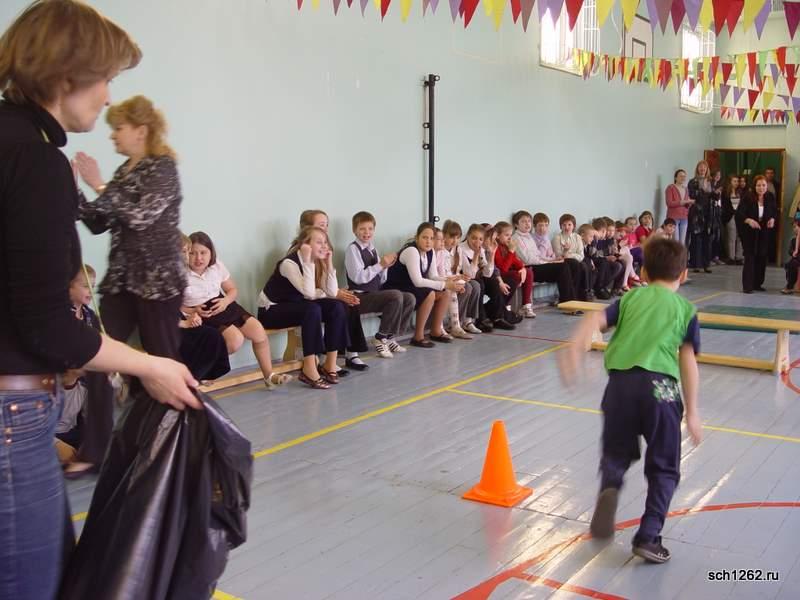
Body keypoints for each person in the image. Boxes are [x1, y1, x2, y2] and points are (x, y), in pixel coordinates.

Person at [0, 2, 199, 598]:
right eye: (106, 78)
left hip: (150, 286)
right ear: (66, 75)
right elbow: (47, 325)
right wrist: (149, 365)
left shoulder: (21, 144)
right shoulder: (33, 156)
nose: (109, 96)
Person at [559, 237, 702, 564]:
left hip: (620, 386)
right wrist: (693, 411)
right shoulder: (685, 310)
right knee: (664, 466)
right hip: (661, 390)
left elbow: (593, 320)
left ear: (644, 272)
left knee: (616, 452)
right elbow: (687, 360)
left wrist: (574, 348)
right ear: (683, 274)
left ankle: (610, 483)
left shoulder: (630, 298)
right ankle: (649, 536)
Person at [75, 95, 185, 359]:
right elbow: (99, 222)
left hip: (158, 283)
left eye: (118, 128)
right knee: (99, 352)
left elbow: (140, 216)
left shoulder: (163, 167)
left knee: (162, 359)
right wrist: (73, 190)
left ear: (141, 131)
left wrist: (99, 185)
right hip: (122, 282)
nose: (112, 135)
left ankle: (178, 389)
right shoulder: (123, 172)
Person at [183, 231, 290, 389]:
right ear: (186, 254)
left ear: (211, 253)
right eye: (193, 253)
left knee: (258, 331)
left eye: (203, 253)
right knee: (234, 341)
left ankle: (269, 376)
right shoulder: (180, 273)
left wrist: (225, 301)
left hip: (223, 304)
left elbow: (232, 290)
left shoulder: (217, 266)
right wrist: (193, 310)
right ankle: (202, 370)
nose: (198, 258)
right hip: (202, 313)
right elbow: (173, 305)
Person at [258, 226, 349, 388]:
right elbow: (309, 293)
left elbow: (332, 292)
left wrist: (328, 264)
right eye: (319, 242)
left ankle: (330, 363)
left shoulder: (317, 261)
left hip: (296, 305)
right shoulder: (289, 263)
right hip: (271, 311)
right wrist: (308, 262)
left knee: (336, 307)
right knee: (312, 309)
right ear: (305, 245)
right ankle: (309, 369)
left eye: (325, 242)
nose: (324, 246)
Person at [299, 209, 369, 372]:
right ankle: (326, 357)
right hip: (304, 300)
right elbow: (307, 290)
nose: (325, 229)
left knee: (349, 301)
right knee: (339, 304)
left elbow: (326, 282)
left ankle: (351, 352)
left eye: (326, 225)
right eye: (321, 225)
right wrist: (335, 294)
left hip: (319, 294)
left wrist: (336, 291)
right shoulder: (300, 253)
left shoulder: (324, 248)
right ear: (307, 229)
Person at [344, 211, 414, 357]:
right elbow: (357, 278)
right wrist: (380, 265)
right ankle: (380, 337)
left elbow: (381, 280)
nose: (367, 232)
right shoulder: (352, 249)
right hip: (359, 297)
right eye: (362, 229)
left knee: (409, 298)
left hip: (373, 294)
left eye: (370, 228)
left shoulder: (373, 249)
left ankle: (390, 336)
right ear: (354, 230)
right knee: (395, 295)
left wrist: (385, 267)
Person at [383, 223, 464, 346]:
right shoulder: (411, 251)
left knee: (445, 293)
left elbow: (433, 276)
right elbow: (418, 281)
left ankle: (436, 331)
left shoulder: (430, 252)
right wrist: (444, 284)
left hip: (411, 287)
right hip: (397, 287)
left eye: (431, 238)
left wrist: (451, 283)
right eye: (425, 237)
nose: (428, 241)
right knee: (429, 294)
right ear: (417, 237)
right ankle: (418, 337)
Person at [736, 175, 778, 293]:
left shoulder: (770, 197)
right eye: (758, 185)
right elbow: (739, 214)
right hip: (750, 232)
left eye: (763, 185)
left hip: (764, 231)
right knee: (750, 257)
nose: (761, 188)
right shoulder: (748, 197)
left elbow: (774, 212)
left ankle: (757, 284)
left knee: (762, 256)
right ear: (754, 186)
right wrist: (749, 220)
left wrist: (772, 219)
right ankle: (747, 286)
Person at [687, 161, 713, 273]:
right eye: (700, 167)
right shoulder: (692, 182)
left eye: (704, 167)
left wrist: (714, 193)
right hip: (697, 213)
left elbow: (714, 196)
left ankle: (706, 264)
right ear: (697, 169)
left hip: (709, 213)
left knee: (708, 239)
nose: (702, 169)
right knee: (696, 239)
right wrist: (704, 191)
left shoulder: (711, 181)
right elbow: (692, 195)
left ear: (707, 169)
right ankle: (696, 264)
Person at [664, 169, 692, 245]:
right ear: (675, 178)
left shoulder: (686, 189)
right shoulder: (670, 188)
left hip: (684, 217)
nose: (683, 178)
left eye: (684, 176)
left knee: (682, 242)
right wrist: (681, 202)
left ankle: (681, 253)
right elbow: (669, 203)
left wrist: (689, 203)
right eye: (681, 176)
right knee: (675, 242)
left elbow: (686, 205)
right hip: (673, 218)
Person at [721, 174, 743, 264]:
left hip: (739, 216)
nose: (736, 183)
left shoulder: (740, 192)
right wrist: (731, 213)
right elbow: (724, 205)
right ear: (730, 182)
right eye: (734, 181)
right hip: (730, 216)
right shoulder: (725, 192)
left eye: (737, 181)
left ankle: (739, 257)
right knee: (731, 236)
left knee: (740, 236)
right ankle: (731, 257)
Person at [781, 219, 800, 294]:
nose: (794, 229)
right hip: (796, 258)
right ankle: (790, 285)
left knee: (793, 264)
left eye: (795, 227)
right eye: (793, 227)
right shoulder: (793, 239)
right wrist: (793, 253)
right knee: (790, 265)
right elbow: (790, 251)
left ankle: (790, 286)